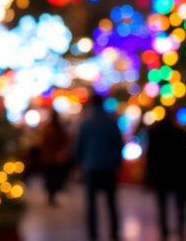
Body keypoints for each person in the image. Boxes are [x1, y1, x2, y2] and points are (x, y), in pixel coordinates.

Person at [76, 92, 124, 241]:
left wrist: (79, 163)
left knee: (91, 204)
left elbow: (79, 146)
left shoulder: (86, 123)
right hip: (109, 167)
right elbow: (119, 144)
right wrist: (117, 162)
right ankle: (114, 232)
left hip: (92, 167)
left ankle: (93, 233)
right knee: (111, 202)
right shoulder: (111, 122)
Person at [145, 115, 186, 240]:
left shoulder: (154, 134)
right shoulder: (180, 133)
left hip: (161, 175)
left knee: (162, 205)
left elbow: (150, 157)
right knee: (180, 205)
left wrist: (150, 175)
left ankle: (164, 231)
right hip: (178, 174)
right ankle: (181, 229)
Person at [39, 110, 71, 206]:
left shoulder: (50, 128)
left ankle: (51, 196)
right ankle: (51, 196)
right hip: (53, 159)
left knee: (51, 178)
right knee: (52, 178)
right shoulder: (54, 128)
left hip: (51, 159)